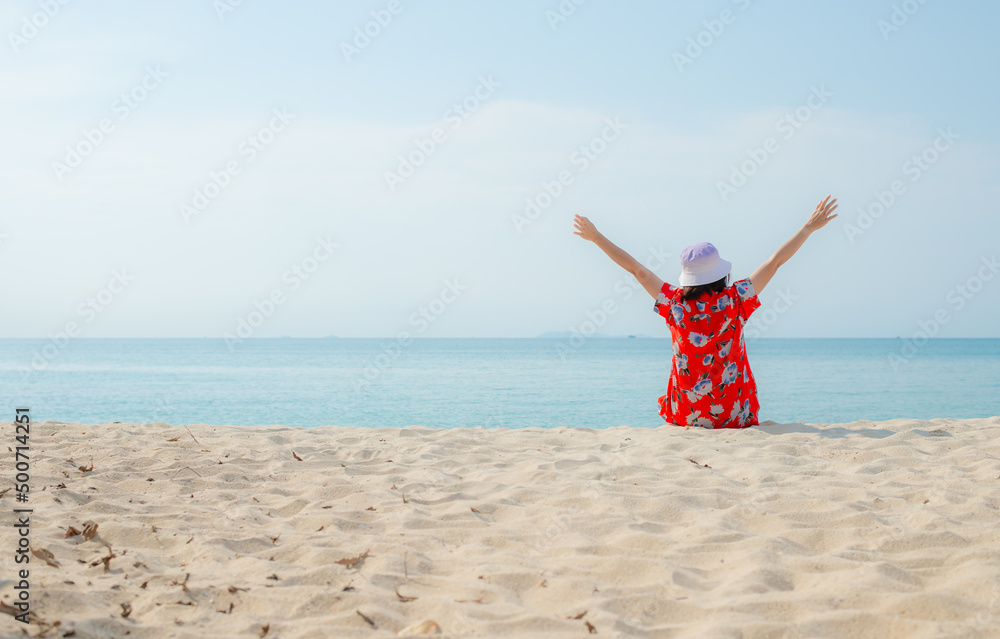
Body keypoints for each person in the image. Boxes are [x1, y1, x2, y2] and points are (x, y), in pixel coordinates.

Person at [572, 195, 839, 428]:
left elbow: (637, 270)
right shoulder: (735, 299)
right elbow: (775, 262)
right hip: (735, 415)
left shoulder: (674, 303)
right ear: (720, 274)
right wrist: (808, 228)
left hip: (685, 414)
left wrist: (596, 237)